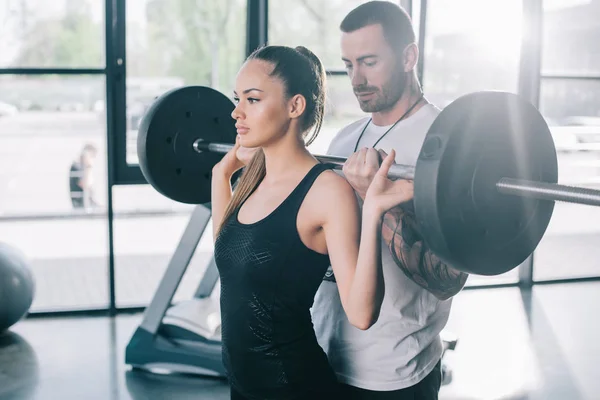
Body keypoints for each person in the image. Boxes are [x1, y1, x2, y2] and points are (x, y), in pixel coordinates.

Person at [211, 44, 413, 400]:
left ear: (295, 106)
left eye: (252, 99)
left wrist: (374, 209)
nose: (236, 112)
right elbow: (229, 262)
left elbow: (362, 313)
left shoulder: (326, 190)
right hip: (243, 388)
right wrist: (220, 173)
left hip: (294, 388)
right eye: (236, 98)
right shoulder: (254, 179)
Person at [310, 2, 469, 399]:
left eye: (368, 62)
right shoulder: (345, 139)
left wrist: (373, 198)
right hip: (323, 354)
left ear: (408, 56)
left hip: (394, 372)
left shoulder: (443, 142)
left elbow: (447, 280)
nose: (356, 78)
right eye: (347, 64)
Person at [69, 143, 100, 210]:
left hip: (87, 202)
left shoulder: (81, 167)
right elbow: (85, 184)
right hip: (80, 203)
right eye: (92, 156)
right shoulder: (76, 167)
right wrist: (88, 167)